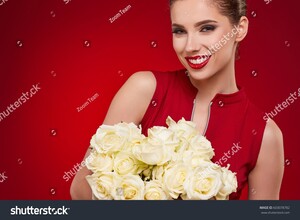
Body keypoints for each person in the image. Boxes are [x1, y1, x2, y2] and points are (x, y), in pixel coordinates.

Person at [70, 0, 284, 200]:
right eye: (180, 31)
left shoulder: (265, 135)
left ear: (240, 29)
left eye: (206, 28)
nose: (190, 46)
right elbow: (80, 188)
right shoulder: (144, 89)